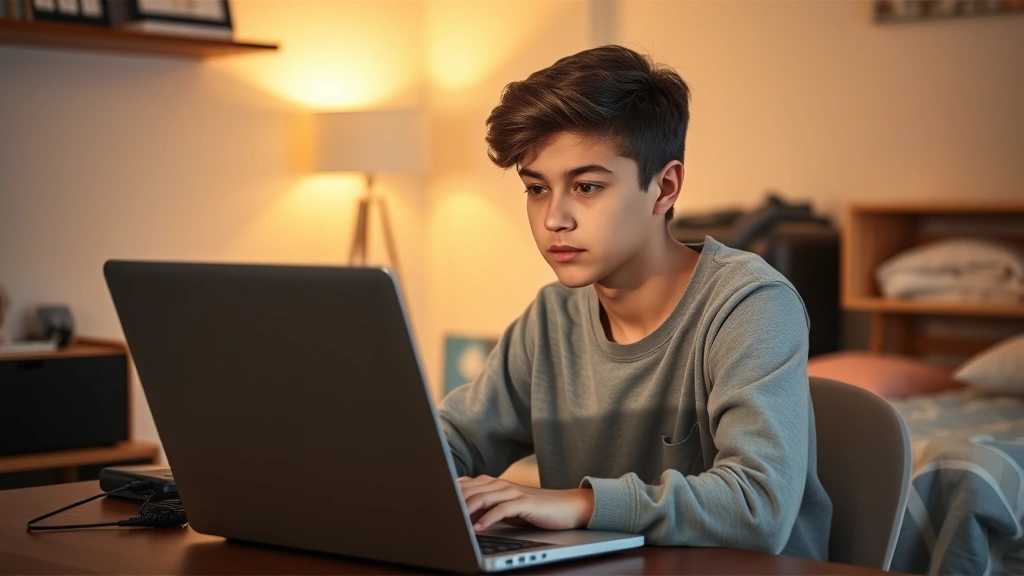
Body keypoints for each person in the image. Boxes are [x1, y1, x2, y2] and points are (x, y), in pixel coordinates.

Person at [438, 44, 831, 560]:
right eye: (536, 189)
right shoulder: (551, 318)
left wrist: (578, 504)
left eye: (586, 186)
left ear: (664, 188)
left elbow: (758, 507)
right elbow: (453, 440)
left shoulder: (751, 305)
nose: (555, 218)